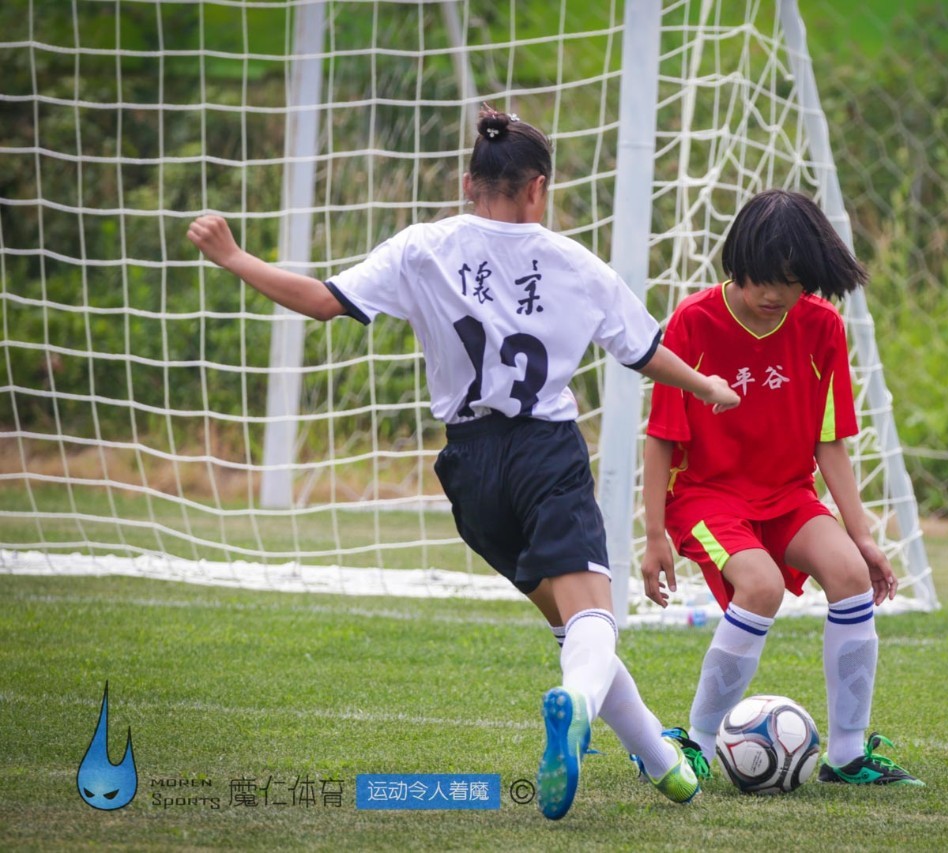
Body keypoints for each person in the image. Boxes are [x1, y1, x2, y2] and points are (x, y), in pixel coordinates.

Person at [188, 107, 741, 820]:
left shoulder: (422, 247)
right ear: (538, 189)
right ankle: (576, 709)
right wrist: (703, 385)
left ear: (466, 181)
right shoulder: (579, 266)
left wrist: (235, 257)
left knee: (574, 627)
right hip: (545, 452)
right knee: (595, 620)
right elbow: (641, 351)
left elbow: (323, 301)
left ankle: (665, 766)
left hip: (471, 470)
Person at [641, 189, 923, 786]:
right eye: (762, 278)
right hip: (704, 497)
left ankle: (846, 755)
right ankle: (693, 743)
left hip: (788, 493)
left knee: (850, 576)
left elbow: (830, 444)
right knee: (762, 586)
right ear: (737, 264)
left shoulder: (822, 326)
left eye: (792, 281)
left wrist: (864, 537)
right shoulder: (693, 321)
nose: (774, 294)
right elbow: (661, 437)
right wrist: (652, 536)